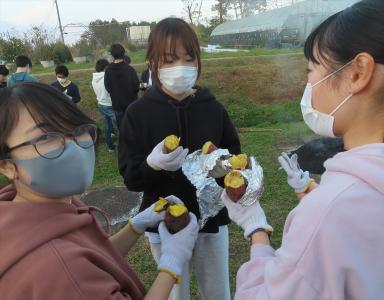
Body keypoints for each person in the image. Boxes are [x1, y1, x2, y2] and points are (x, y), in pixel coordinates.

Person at [222, 1, 384, 299]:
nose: (308, 84)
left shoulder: (330, 215)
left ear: (358, 73)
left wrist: (257, 230)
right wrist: (312, 191)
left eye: (312, 70)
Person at [0, 82, 199, 300]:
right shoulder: (58, 269)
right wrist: (171, 264)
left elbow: (93, 259)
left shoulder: (38, 206)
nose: (72, 145)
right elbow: (72, 271)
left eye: (75, 128)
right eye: (46, 137)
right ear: (6, 166)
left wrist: (136, 225)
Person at [118, 18, 240, 300]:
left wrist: (223, 167)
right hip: (164, 224)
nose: (180, 69)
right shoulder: (138, 114)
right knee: (175, 293)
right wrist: (152, 165)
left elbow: (233, 155)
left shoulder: (212, 108)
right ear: (152, 63)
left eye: (188, 58)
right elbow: (130, 176)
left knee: (218, 291)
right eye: (170, 60)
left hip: (211, 220)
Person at [105, 44, 140, 129]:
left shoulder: (108, 70)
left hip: (117, 105)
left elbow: (108, 88)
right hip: (131, 104)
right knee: (134, 127)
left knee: (122, 129)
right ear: (124, 54)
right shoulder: (130, 69)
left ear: (112, 55)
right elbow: (136, 87)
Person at [92, 59, 118, 152]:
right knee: (119, 125)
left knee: (107, 126)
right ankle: (123, 144)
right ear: (106, 67)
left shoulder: (94, 77)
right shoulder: (106, 77)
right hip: (109, 105)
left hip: (100, 104)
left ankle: (110, 146)